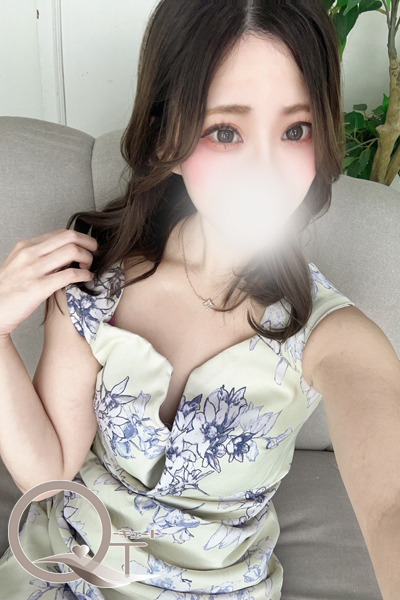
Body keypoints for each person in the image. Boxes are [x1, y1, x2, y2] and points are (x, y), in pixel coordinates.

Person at [0, 1, 399, 599]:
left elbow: (391, 502)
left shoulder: (328, 334)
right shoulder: (96, 283)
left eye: (295, 130)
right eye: (226, 132)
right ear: (167, 139)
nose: (265, 170)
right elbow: (50, 471)